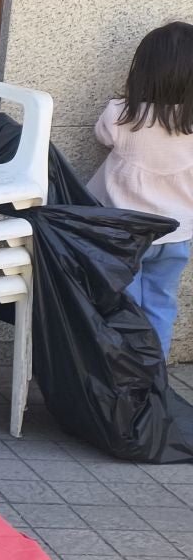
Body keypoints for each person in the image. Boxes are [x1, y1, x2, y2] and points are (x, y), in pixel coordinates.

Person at [88, 21, 193, 356]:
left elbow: (102, 138)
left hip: (125, 235)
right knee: (162, 302)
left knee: (125, 307)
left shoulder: (121, 115)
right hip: (178, 235)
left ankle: (126, 371)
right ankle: (154, 376)